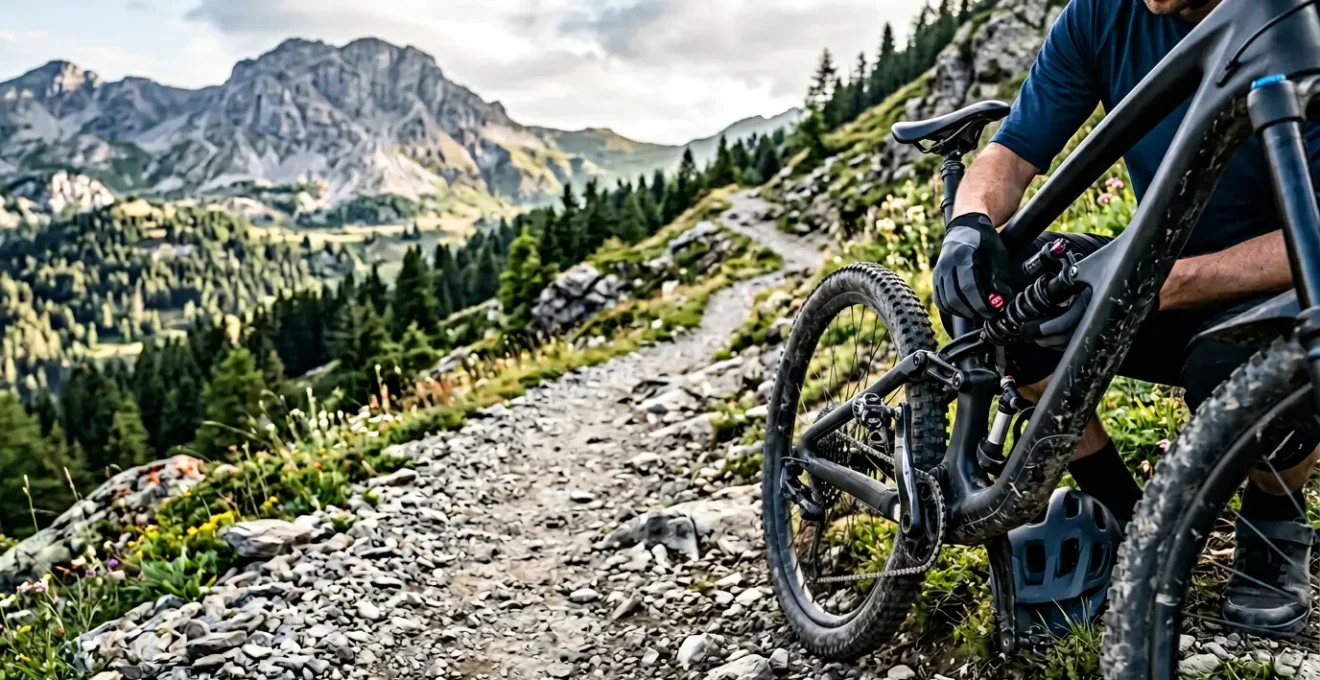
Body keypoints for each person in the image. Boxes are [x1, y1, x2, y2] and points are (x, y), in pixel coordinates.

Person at [934, 0, 1320, 637]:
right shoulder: (1100, 15)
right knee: (1019, 306)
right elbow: (1012, 150)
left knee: (1254, 375)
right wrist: (969, 223)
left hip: (1264, 284)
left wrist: (1157, 285)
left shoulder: (1295, 19)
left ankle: (1272, 522)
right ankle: (1123, 512)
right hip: (1157, 271)